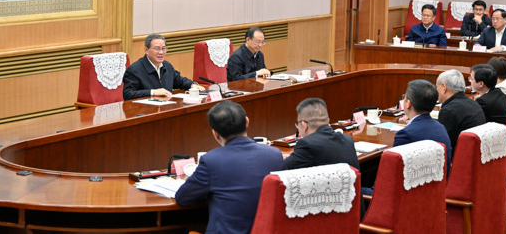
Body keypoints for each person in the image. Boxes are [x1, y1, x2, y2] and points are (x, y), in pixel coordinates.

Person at [175, 101, 286, 234]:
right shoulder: (275, 155)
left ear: (215, 133)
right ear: (247, 122)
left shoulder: (211, 161)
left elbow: (183, 198)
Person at [284, 98, 361, 171]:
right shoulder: (347, 139)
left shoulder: (307, 145)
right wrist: (295, 157)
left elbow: (281, 169)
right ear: (328, 121)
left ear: (304, 125)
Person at [122, 34, 204, 100]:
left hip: (165, 109)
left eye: (163, 49)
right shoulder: (135, 69)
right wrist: (153, 92)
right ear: (146, 50)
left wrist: (192, 85)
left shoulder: (167, 65)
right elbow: (128, 94)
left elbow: (179, 80)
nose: (161, 52)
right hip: (144, 113)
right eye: (157, 49)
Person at [393, 79, 453, 162]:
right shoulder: (441, 128)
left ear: (408, 103)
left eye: (404, 97)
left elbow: (395, 167)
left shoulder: (405, 135)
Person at [436, 69, 486, 154]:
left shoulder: (449, 110)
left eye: (437, 87)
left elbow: (442, 145)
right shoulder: (473, 103)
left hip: (459, 160)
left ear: (444, 87)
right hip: (476, 155)